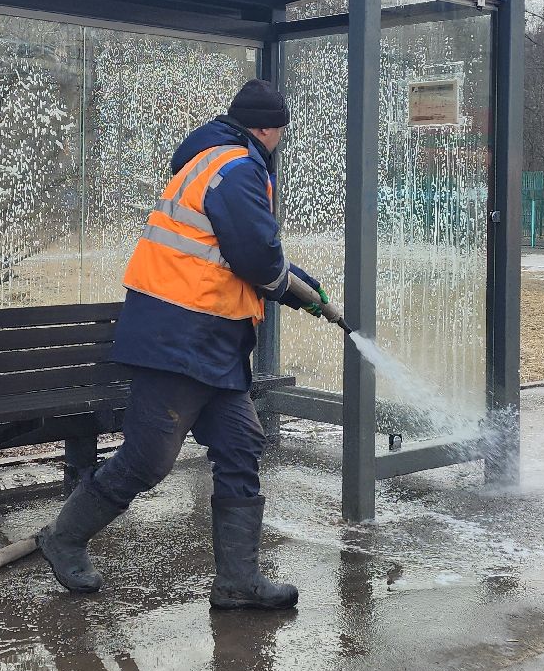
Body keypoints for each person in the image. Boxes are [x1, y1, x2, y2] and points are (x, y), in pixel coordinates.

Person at [38, 79, 336, 610]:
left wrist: (303, 288)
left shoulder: (210, 160)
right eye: (281, 133)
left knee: (242, 444)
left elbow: (241, 253)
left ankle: (237, 580)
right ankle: (64, 537)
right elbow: (259, 258)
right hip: (180, 338)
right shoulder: (238, 168)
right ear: (270, 128)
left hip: (211, 341)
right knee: (149, 460)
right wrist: (296, 289)